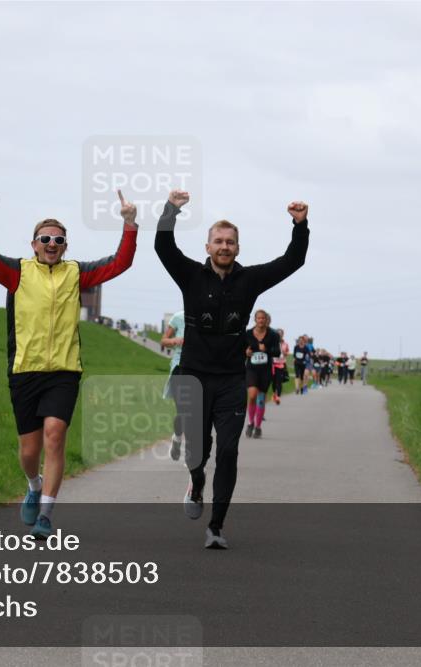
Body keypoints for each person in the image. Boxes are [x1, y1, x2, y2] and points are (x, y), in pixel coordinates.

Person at [0, 183, 137, 539]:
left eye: (59, 241)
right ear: (33, 245)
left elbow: (120, 263)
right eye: (45, 239)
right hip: (24, 371)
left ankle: (46, 514)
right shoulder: (17, 272)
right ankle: (34, 484)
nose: (51, 245)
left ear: (66, 247)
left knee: (55, 435)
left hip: (64, 371)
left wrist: (129, 224)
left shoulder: (76, 273)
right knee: (29, 450)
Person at [155, 189, 309, 549]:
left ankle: (217, 526)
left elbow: (292, 261)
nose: (225, 246)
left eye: (231, 242)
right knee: (198, 450)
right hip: (193, 376)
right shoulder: (190, 275)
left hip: (230, 380)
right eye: (218, 241)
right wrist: (170, 211)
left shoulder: (249, 280)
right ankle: (196, 484)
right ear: (208, 247)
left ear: (238, 248)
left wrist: (299, 225)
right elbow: (164, 247)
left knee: (227, 451)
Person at [244, 310, 280, 439]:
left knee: (260, 398)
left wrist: (268, 350)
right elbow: (240, 348)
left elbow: (277, 352)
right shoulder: (248, 334)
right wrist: (246, 352)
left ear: (266, 320)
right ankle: (250, 423)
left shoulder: (273, 335)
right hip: (252, 369)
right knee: (252, 395)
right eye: (258, 318)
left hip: (265, 370)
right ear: (255, 320)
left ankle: (258, 427)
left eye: (263, 318)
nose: (260, 320)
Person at [161, 310, 187, 460]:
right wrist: (174, 341)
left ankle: (192, 454)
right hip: (179, 367)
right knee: (183, 410)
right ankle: (177, 438)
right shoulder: (178, 317)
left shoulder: (207, 316)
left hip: (200, 369)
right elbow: (164, 340)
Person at [271, 328, 289, 404]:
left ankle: (278, 396)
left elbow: (287, 353)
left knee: (279, 381)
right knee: (274, 382)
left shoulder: (285, 344)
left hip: (281, 364)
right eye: (278, 333)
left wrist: (285, 353)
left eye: (281, 334)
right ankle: (274, 394)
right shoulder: (272, 342)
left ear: (282, 335)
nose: (279, 335)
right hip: (272, 364)